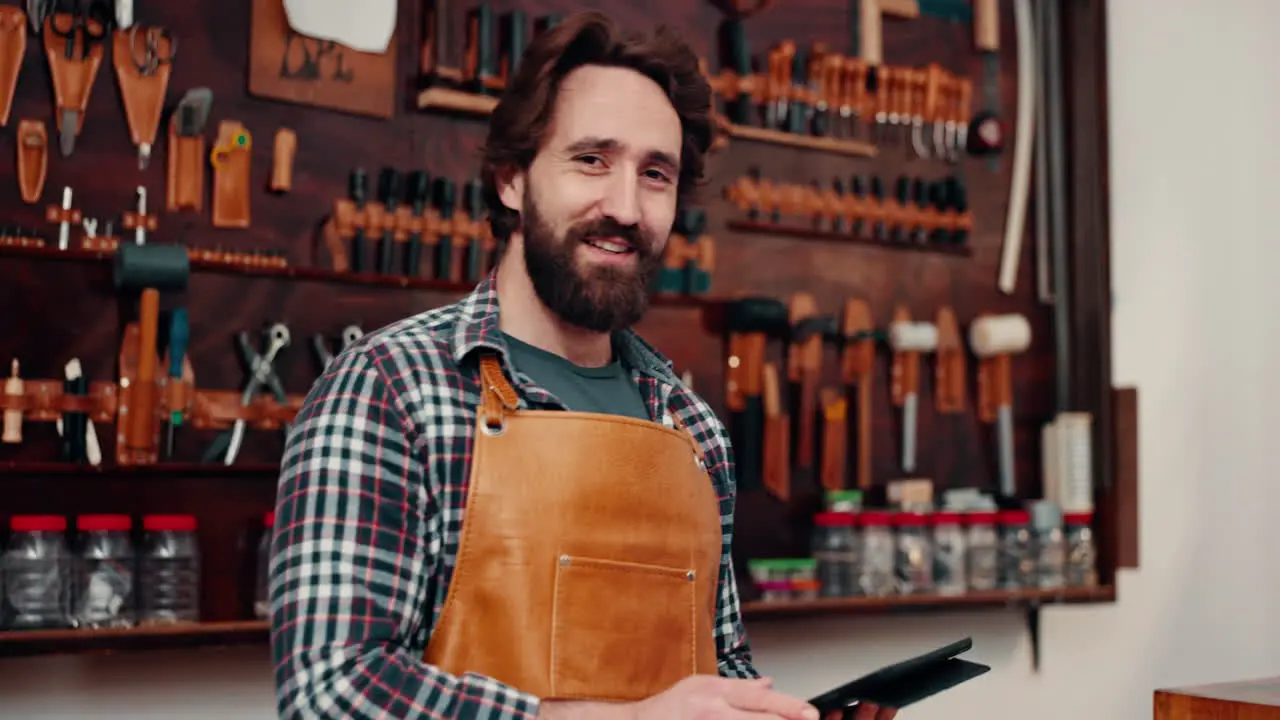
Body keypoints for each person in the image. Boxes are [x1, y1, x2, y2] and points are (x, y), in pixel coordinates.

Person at [269, 10, 897, 720]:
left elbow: (716, 674)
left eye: (655, 174)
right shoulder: (390, 389)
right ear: (511, 180)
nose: (625, 207)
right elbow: (332, 696)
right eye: (591, 160)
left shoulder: (689, 427)